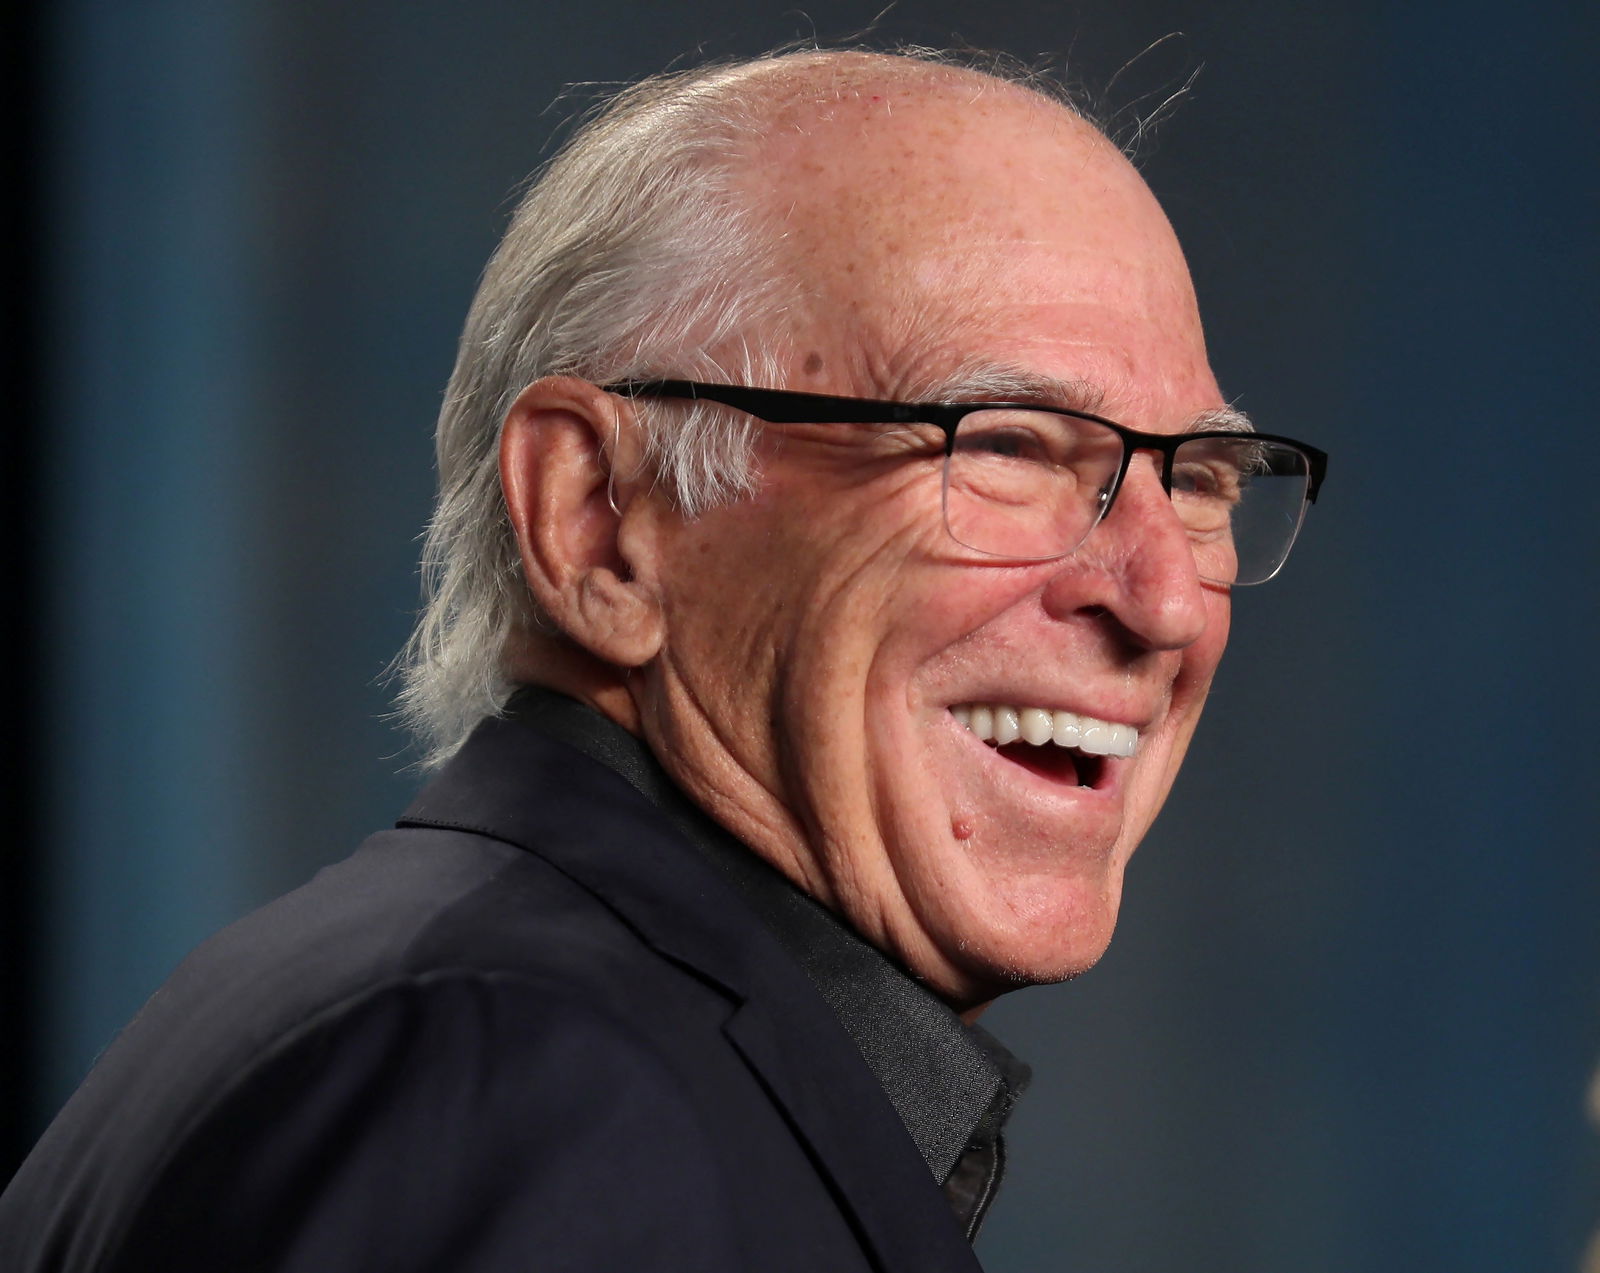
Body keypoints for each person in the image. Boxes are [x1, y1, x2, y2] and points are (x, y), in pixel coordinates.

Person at [0, 46, 1325, 1272]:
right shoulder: (523, 1086)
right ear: (598, 517)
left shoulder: (531, 1039)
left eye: (1200, 476)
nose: (1161, 599)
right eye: (1010, 448)